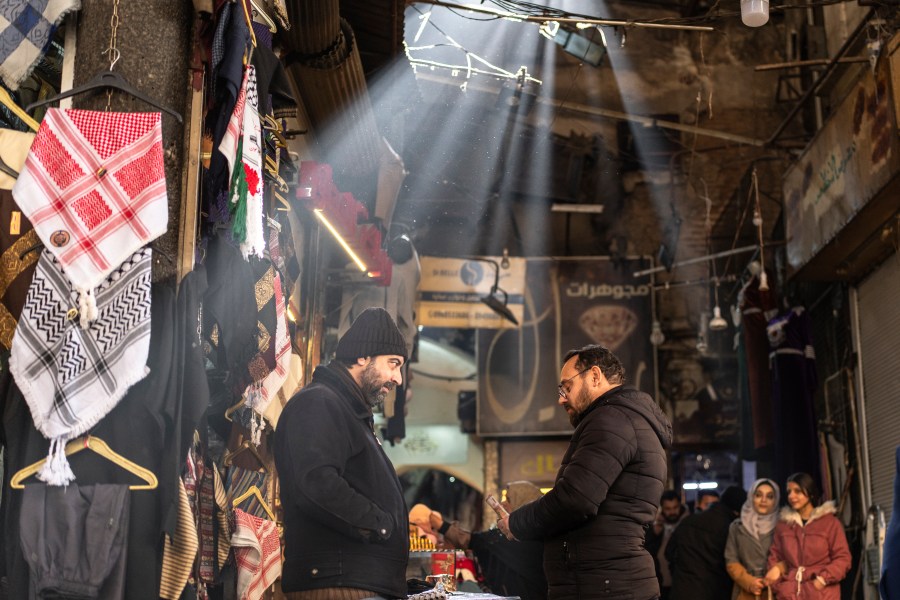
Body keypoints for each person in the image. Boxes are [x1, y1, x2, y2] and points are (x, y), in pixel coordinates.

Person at [497, 344, 672, 600]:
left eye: (566, 387)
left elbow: (574, 499)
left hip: (603, 586)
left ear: (594, 376)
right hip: (609, 582)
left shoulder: (611, 419)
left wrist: (516, 523)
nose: (561, 398)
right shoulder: (625, 418)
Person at [273, 308, 410, 599]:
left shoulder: (346, 409)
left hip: (351, 582)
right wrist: (380, 525)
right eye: (393, 364)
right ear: (363, 357)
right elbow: (316, 484)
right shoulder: (319, 403)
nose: (398, 378)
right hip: (337, 586)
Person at [417, 482, 548, 600]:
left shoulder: (525, 539)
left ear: (523, 504)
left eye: (508, 499)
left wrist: (441, 525)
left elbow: (475, 541)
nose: (503, 504)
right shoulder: (531, 535)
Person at [764, 472, 851, 599]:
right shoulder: (783, 526)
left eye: (797, 491)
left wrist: (822, 580)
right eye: (789, 492)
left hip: (822, 595)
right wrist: (781, 587)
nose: (791, 496)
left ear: (810, 493)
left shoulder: (830, 523)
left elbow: (843, 558)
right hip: (790, 595)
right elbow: (775, 556)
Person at [666, 485, 747, 600]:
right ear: (738, 511)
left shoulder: (688, 521)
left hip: (681, 591)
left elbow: (669, 553)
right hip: (713, 593)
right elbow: (731, 564)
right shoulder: (730, 527)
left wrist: (681, 575)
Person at [725, 479, 780, 600]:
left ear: (776, 501)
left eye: (770, 496)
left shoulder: (784, 526)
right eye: (758, 495)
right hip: (746, 591)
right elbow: (731, 560)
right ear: (751, 497)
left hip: (776, 590)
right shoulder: (737, 526)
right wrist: (749, 582)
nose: (763, 500)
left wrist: (778, 569)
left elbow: (792, 558)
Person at [645, 490, 690, 599]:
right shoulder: (657, 525)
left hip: (682, 583)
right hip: (661, 584)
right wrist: (654, 533)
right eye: (668, 509)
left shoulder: (689, 524)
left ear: (680, 505)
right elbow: (648, 551)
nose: (672, 512)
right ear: (662, 509)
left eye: (675, 507)